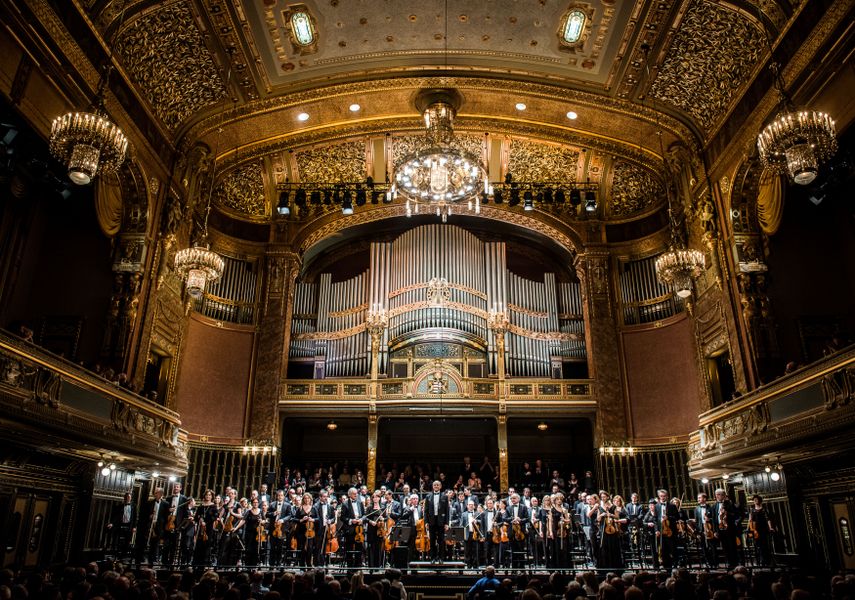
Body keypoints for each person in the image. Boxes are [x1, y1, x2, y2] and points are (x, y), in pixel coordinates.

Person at [138, 487, 167, 565]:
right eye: (155, 492)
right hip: (149, 525)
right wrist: (149, 516)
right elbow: (143, 514)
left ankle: (151, 561)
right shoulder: (149, 503)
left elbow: (165, 517)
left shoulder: (165, 504)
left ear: (160, 494)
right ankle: (141, 558)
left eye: (156, 492)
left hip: (158, 526)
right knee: (144, 542)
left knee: (154, 544)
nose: (154, 493)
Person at [424, 480, 449, 562]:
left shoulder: (445, 496)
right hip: (431, 520)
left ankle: (441, 558)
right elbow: (425, 511)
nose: (436, 486)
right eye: (435, 485)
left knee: (441, 540)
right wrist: (426, 522)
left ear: (440, 486)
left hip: (441, 521)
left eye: (438, 485)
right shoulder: (428, 496)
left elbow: (447, 511)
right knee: (432, 540)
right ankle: (433, 558)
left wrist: (447, 523)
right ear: (433, 486)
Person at [748, 494, 775, 567]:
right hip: (756, 530)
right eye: (754, 500)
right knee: (758, 545)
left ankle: (767, 561)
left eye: (756, 500)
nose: (755, 501)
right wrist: (750, 529)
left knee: (765, 545)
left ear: (760, 501)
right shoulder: (752, 510)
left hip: (763, 529)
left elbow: (768, 519)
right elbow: (750, 520)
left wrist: (770, 527)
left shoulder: (764, 509)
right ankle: (759, 561)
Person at [107, 492, 136, 559]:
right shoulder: (120, 506)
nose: (128, 498)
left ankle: (123, 556)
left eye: (129, 497)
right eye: (127, 497)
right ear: (125, 498)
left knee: (127, 541)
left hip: (129, 525)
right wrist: (112, 523)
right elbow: (116, 516)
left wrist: (134, 527)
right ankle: (116, 554)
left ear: (131, 498)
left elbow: (134, 517)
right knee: (117, 540)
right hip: (121, 525)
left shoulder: (133, 506)